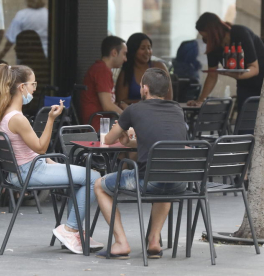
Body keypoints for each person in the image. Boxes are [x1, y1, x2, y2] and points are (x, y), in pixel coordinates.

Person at [0, 64, 103, 254]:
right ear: (21, 87)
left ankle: (74, 233)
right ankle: (70, 230)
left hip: (23, 170)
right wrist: (51, 119)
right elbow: (41, 147)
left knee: (81, 179)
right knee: (94, 177)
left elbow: (27, 152)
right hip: (29, 172)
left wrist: (52, 162)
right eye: (33, 84)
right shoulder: (17, 118)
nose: (35, 88)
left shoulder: (4, 114)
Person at [94, 68, 187, 259]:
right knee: (165, 173)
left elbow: (109, 140)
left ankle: (120, 243)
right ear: (167, 89)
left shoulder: (134, 109)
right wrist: (131, 143)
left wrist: (120, 133)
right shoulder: (177, 109)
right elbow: (160, 142)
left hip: (147, 182)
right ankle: (154, 240)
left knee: (99, 186)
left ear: (144, 88)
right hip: (179, 183)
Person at [188, 12, 264, 188]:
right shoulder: (214, 46)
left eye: (205, 36)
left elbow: (254, 69)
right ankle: (244, 176)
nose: (204, 40)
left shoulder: (240, 33)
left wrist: (232, 74)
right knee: (244, 127)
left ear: (213, 31)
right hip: (245, 83)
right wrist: (201, 99)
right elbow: (211, 75)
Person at [81, 36, 128, 131]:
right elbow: (107, 106)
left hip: (102, 121)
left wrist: (121, 105)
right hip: (98, 125)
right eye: (124, 54)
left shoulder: (101, 69)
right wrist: (128, 116)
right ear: (114, 53)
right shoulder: (102, 70)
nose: (125, 59)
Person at [115, 33, 172, 105]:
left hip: (159, 113)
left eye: (149, 48)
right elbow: (121, 102)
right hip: (135, 114)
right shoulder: (126, 72)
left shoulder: (159, 67)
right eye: (142, 48)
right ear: (133, 50)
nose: (147, 52)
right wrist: (147, 103)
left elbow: (168, 98)